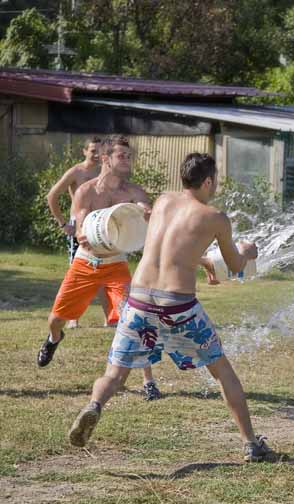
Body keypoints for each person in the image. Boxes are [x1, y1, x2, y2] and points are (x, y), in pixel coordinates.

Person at [67, 152, 272, 462]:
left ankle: (94, 405)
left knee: (115, 374)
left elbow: (170, 246)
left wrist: (200, 260)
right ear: (208, 181)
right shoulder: (215, 216)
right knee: (222, 371)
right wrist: (248, 252)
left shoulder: (163, 201)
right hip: (178, 306)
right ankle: (251, 444)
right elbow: (234, 265)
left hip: (138, 299)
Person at [37, 135, 162, 401]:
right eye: (122, 156)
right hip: (85, 263)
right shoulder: (86, 190)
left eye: (129, 156)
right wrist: (81, 233)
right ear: (105, 159)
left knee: (134, 318)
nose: (127, 160)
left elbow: (146, 210)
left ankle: (148, 381)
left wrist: (147, 212)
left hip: (116, 265)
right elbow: (81, 223)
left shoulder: (133, 192)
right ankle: (54, 338)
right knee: (56, 319)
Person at [46, 137, 111, 328]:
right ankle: (73, 318)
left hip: (101, 227)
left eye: (100, 151)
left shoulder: (105, 172)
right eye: (93, 151)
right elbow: (52, 196)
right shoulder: (77, 171)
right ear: (84, 151)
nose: (97, 155)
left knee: (104, 272)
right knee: (78, 274)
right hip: (80, 228)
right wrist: (63, 223)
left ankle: (110, 317)